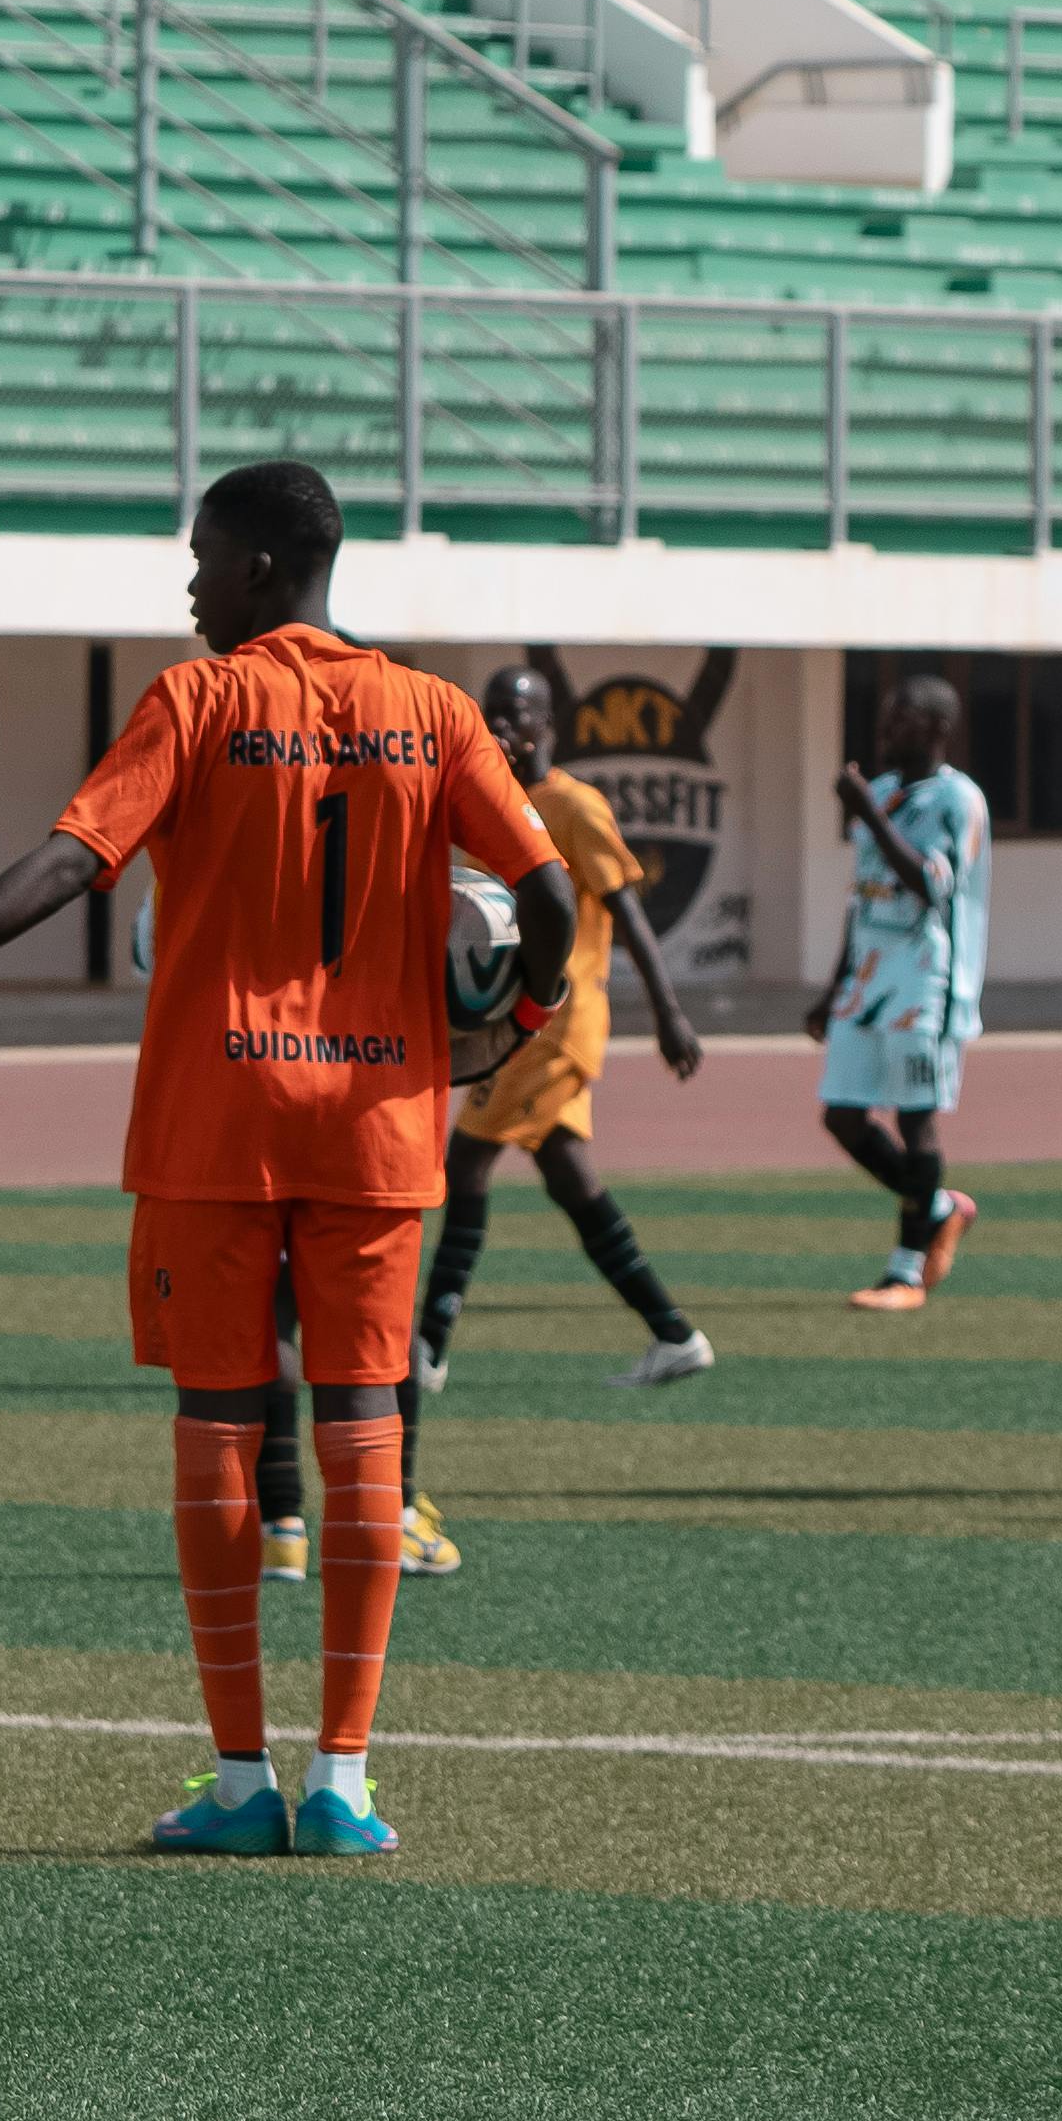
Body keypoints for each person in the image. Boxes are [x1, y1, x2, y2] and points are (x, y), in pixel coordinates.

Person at [0, 461, 569, 1857]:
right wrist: (523, 1016)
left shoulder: (196, 702)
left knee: (220, 1432)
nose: (191, 584)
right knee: (363, 1430)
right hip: (379, 1126)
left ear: (260, 568)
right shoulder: (436, 715)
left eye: (203, 559)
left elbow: (75, 862)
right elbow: (548, 894)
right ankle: (348, 1782)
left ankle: (242, 1779)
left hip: (218, 1124)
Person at [378, 653, 719, 1564]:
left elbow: (628, 912)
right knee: (570, 1182)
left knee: (467, 1164)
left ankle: (433, 1339)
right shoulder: (481, 800)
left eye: (516, 713)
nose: (501, 726)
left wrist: (670, 1013)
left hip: (563, 1018)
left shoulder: (573, 806)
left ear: (549, 724)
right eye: (491, 711)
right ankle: (673, 1332)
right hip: (523, 1019)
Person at [803, 672, 992, 1312]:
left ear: (939, 728)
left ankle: (906, 1274)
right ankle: (940, 1207)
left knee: (917, 1119)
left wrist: (863, 812)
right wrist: (833, 988)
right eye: (885, 716)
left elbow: (928, 884)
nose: (885, 729)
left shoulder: (957, 802)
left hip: (926, 982)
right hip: (868, 981)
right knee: (843, 1116)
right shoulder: (881, 791)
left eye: (900, 718)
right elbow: (864, 897)